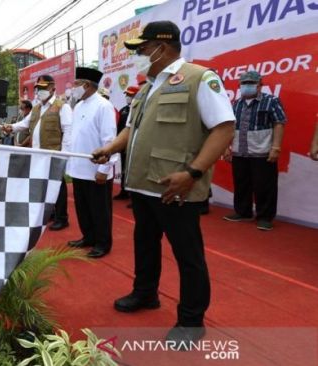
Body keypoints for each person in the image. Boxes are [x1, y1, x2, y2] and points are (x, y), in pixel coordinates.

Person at [91, 21, 235, 346]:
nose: (139, 55)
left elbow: (224, 128)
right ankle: (145, 293)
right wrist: (110, 148)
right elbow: (132, 130)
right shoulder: (146, 87)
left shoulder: (199, 78)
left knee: (188, 255)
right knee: (145, 244)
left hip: (175, 188)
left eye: (142, 49)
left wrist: (194, 173)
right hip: (142, 185)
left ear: (162, 46)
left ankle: (191, 321)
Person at [3, 74, 73, 231]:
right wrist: (11, 127)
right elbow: (24, 124)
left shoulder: (63, 107)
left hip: (54, 154)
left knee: (58, 186)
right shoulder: (36, 108)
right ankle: (51, 213)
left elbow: (68, 132)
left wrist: (64, 156)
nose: (39, 91)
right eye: (37, 88)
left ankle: (62, 217)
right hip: (37, 155)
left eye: (43, 88)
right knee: (43, 186)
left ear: (52, 88)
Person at [223, 71, 287, 231]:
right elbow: (230, 127)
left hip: (262, 151)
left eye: (251, 83)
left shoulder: (271, 101)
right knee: (241, 183)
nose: (247, 86)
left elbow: (279, 123)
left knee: (264, 185)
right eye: (244, 83)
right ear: (239, 86)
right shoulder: (236, 103)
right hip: (239, 150)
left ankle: (265, 217)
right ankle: (243, 212)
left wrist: (276, 147)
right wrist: (226, 147)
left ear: (260, 85)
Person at [66, 67, 117, 258]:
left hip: (97, 170)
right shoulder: (79, 106)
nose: (73, 88)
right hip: (79, 168)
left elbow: (109, 140)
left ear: (86, 85)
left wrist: (105, 168)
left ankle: (103, 243)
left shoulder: (103, 106)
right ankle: (88, 236)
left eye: (76, 84)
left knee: (99, 210)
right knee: (83, 207)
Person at [114, 86, 140, 200]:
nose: (127, 97)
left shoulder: (139, 108)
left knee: (133, 168)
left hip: (135, 145)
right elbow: (119, 127)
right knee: (124, 167)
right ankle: (124, 190)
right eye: (127, 95)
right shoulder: (123, 110)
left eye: (130, 95)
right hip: (123, 144)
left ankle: (134, 194)